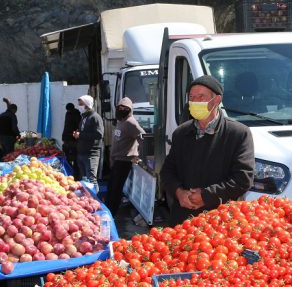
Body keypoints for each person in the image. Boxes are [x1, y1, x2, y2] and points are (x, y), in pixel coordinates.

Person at [160, 75, 255, 227]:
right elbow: (167, 171)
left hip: (221, 221)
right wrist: (179, 193)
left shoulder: (238, 133)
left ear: (216, 100)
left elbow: (243, 179)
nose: (195, 102)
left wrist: (205, 196)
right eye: (192, 97)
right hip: (183, 220)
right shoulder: (181, 133)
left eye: (201, 97)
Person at [107, 97, 143, 215]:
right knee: (111, 187)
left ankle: (112, 213)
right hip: (117, 159)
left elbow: (143, 137)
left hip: (124, 161)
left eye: (125, 108)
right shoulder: (121, 121)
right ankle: (108, 208)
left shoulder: (130, 122)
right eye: (119, 107)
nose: (121, 109)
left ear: (130, 109)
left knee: (116, 189)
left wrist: (139, 155)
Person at [72, 94, 103, 186]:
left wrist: (81, 135)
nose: (79, 106)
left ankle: (94, 199)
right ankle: (87, 199)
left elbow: (99, 134)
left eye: (81, 104)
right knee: (85, 180)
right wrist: (78, 133)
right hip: (82, 152)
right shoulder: (84, 117)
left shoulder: (95, 117)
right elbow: (84, 132)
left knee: (91, 180)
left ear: (87, 105)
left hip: (91, 154)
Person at [62, 102, 81, 178]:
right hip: (68, 139)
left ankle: (75, 175)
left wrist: (74, 136)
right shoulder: (68, 113)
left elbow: (77, 127)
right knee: (69, 158)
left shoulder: (75, 114)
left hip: (72, 140)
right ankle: (71, 174)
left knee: (73, 158)